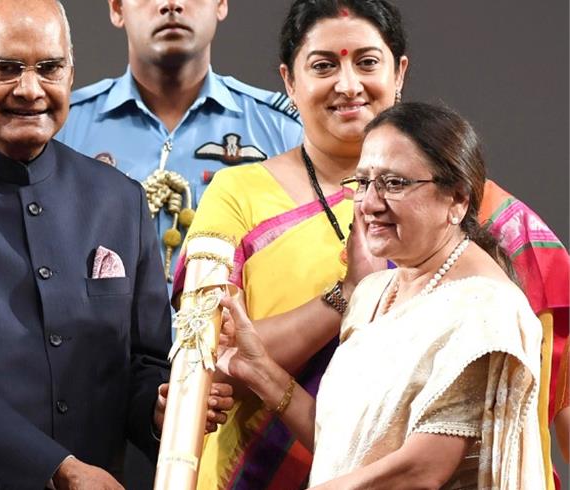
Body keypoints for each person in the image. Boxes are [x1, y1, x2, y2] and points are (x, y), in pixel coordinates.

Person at [178, 1, 568, 488]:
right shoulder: (246, 200)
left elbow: (547, 398)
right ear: (289, 81)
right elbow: (343, 437)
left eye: (366, 61)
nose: (348, 84)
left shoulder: (492, 235)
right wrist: (271, 365)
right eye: (324, 65)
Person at [0, 1, 233, 489]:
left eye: (49, 68)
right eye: (7, 68)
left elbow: (144, 361)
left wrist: (162, 407)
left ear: (70, 72)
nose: (30, 90)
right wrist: (60, 470)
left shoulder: (119, 200)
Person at [219, 102, 546, 489]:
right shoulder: (375, 292)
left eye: (394, 183)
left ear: (457, 199)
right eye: (363, 182)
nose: (370, 204)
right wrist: (261, 371)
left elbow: (421, 470)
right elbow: (346, 449)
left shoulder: (486, 310)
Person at [54, 0, 304, 281]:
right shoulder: (61, 127)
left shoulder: (283, 130)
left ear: (221, 4)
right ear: (116, 8)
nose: (170, 4)